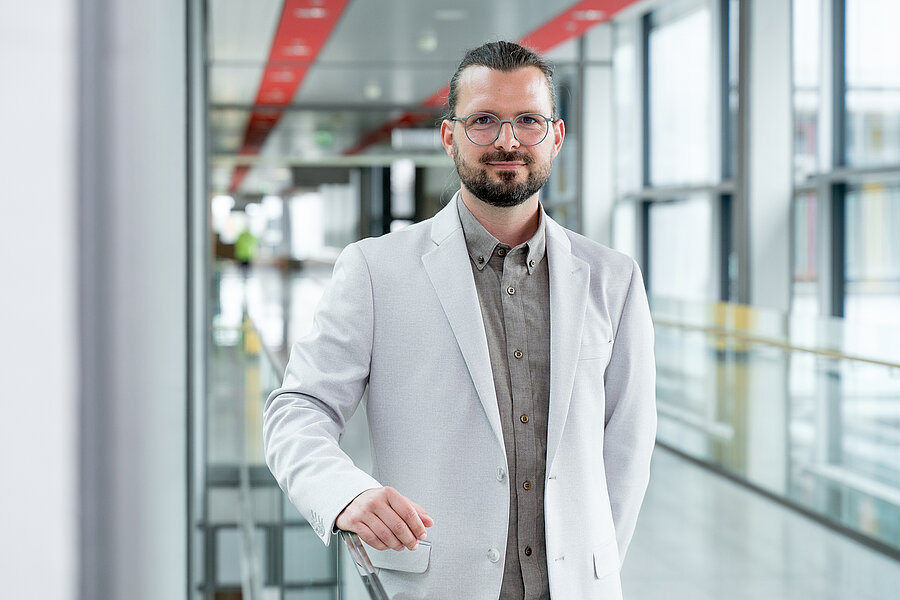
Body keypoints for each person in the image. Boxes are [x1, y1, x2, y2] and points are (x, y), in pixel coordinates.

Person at [263, 41, 656, 600]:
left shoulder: (613, 279)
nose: (507, 140)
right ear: (449, 137)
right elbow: (297, 410)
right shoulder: (376, 270)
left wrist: (593, 566)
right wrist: (344, 493)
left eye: (528, 121)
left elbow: (629, 446)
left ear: (556, 136)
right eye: (484, 121)